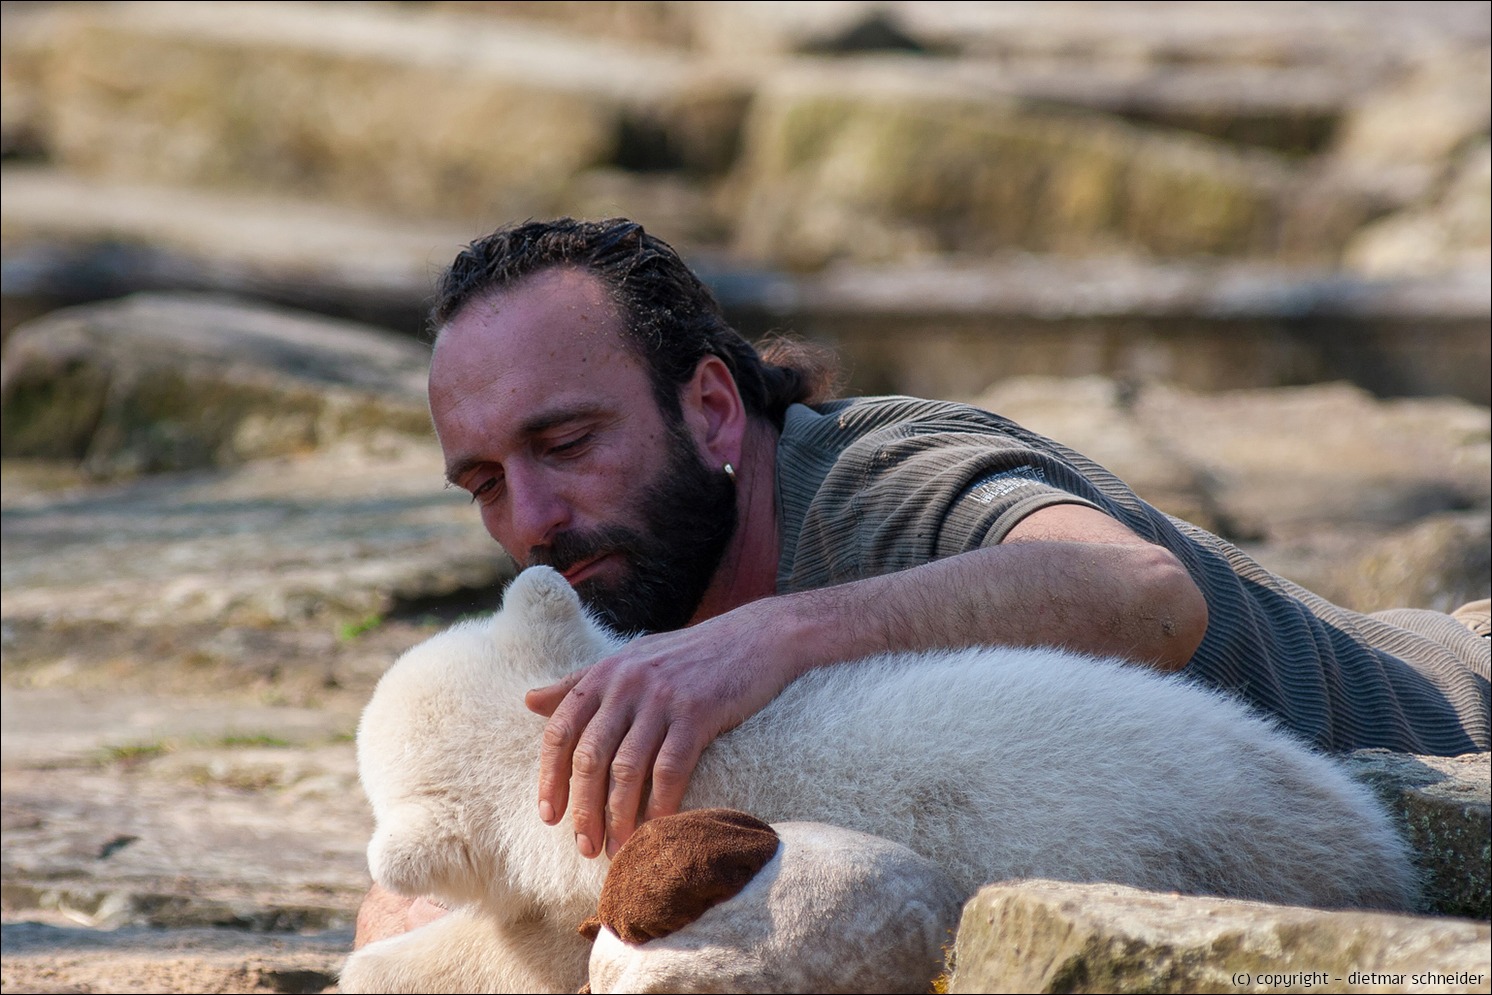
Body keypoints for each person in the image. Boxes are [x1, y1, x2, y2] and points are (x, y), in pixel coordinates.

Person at [356, 217, 1489, 946]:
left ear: (708, 409)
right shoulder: (617, 599)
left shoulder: (879, 481)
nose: (532, 519)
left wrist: (778, 634)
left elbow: (1145, 596)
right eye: (485, 481)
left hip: (1453, 720)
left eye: (565, 442)